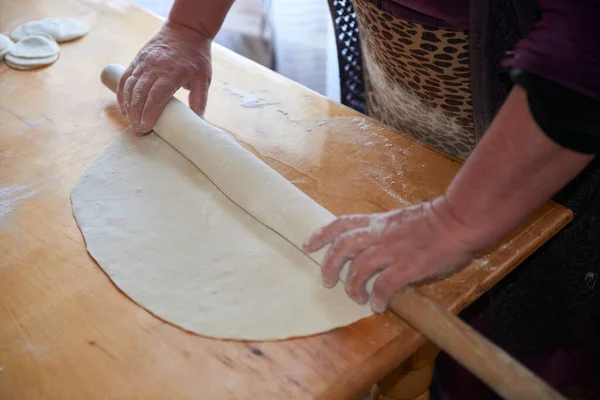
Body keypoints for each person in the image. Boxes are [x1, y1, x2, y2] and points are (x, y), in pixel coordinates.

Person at [118, 0, 600, 397]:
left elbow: (584, 53)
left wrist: (454, 222)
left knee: (518, 341)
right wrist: (188, 25)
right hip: (403, 126)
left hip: (546, 155)